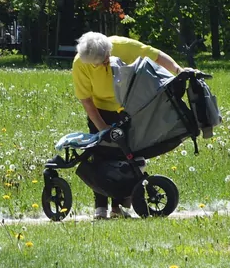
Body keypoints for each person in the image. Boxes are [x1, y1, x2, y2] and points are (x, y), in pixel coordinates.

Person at [72, 32, 186, 219]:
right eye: (99, 64)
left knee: (127, 155)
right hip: (100, 111)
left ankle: (118, 207)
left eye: (106, 59)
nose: (105, 64)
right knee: (100, 154)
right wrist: (102, 129)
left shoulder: (122, 46)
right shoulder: (80, 63)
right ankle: (100, 208)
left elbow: (155, 55)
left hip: (128, 108)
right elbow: (86, 100)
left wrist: (179, 71)